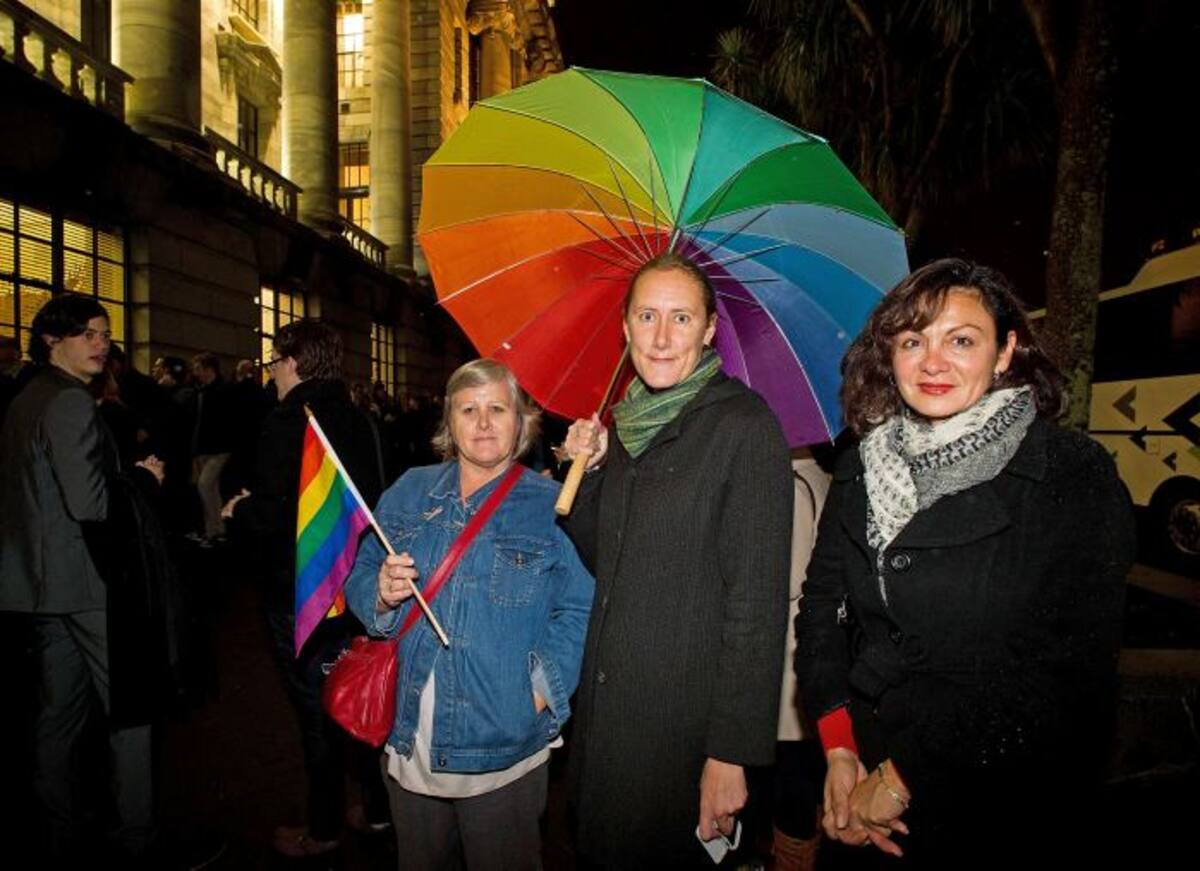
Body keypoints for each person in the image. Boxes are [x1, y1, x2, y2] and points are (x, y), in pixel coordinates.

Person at [796, 258, 1135, 867]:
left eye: (961, 340)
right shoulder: (859, 469)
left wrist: (903, 778)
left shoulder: (1069, 474)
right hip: (860, 783)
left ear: (1005, 351)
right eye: (911, 340)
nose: (932, 362)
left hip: (995, 799)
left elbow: (1070, 671)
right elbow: (821, 605)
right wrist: (839, 748)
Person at [561, 251, 793, 867]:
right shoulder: (629, 426)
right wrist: (587, 470)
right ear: (626, 327)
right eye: (647, 316)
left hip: (680, 732)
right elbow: (601, 557)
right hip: (608, 721)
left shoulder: (744, 428)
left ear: (710, 329)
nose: (661, 338)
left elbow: (757, 604)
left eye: (682, 318)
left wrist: (729, 754)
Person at [343, 358, 594, 871]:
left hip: (503, 748)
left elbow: (580, 607)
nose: (483, 422)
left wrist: (542, 689)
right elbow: (362, 569)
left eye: (497, 409)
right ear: (448, 424)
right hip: (410, 739)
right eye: (469, 409)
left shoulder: (551, 506)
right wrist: (382, 595)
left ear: (521, 423)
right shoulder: (410, 490)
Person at [0, 295, 167, 860]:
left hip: (42, 584)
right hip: (89, 583)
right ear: (53, 340)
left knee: (57, 716)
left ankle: (57, 828)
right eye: (89, 334)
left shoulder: (27, 395)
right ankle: (138, 835)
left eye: (104, 333)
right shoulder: (70, 402)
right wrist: (142, 480)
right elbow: (90, 502)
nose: (102, 344)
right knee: (132, 708)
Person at [222, 319, 390, 858]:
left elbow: (274, 515)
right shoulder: (360, 419)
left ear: (293, 361)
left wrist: (237, 512)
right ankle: (378, 808)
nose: (271, 371)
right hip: (358, 583)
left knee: (316, 705)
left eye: (275, 361)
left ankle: (323, 826)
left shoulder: (288, 422)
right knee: (360, 691)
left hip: (303, 589)